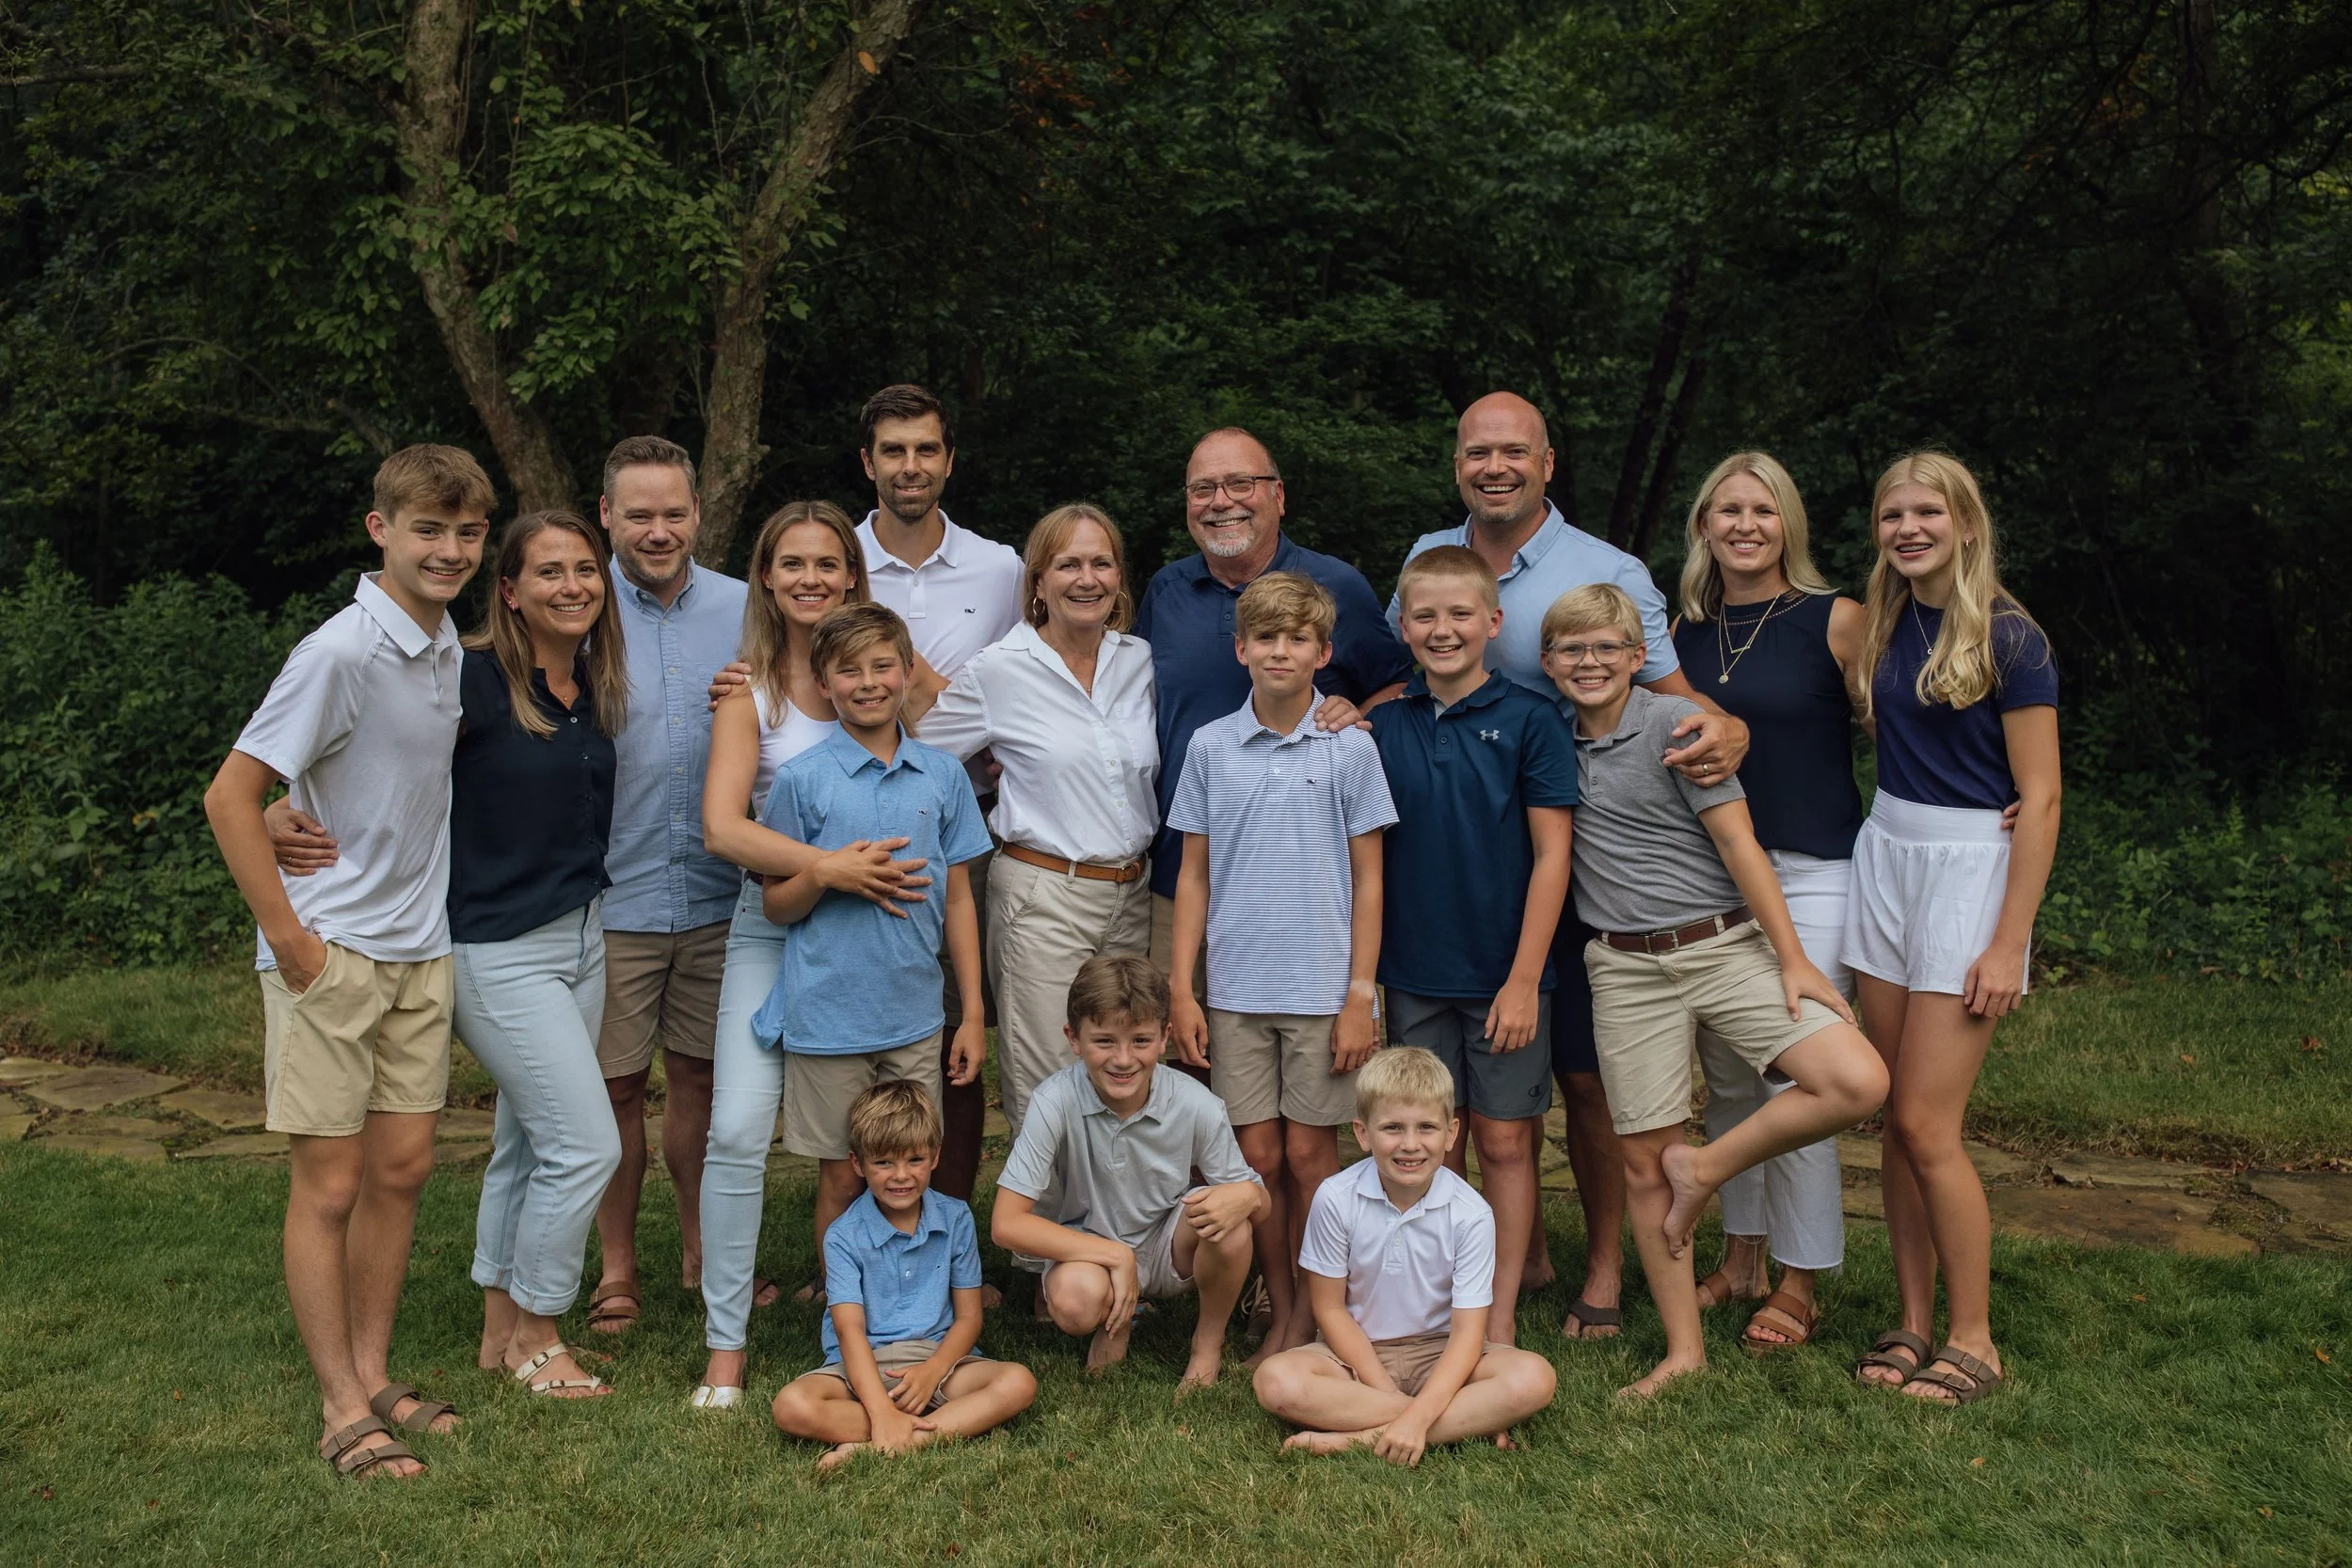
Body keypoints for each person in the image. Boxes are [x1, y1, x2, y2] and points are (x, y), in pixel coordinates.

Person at [1391, 391, 1751, 1345]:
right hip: (1461, 862)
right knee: (1469, 1109)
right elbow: (1412, 672)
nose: (1495, 466)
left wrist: (1729, 726)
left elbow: (1670, 694)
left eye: (1514, 451)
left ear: (1547, 463)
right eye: (1478, 452)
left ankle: (1601, 1262)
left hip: (1583, 862)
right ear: (1458, 464)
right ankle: (1488, 1272)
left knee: (1588, 1081)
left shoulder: (1608, 569)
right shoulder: (1430, 555)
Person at [202, 444, 492, 1480]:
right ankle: (338, 1408)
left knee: (401, 1170)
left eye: (467, 532)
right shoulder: (341, 650)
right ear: (381, 530)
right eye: (429, 530)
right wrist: (292, 942)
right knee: (329, 1185)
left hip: (420, 946)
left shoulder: (443, 641)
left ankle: (373, 1373)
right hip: (335, 952)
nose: (449, 550)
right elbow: (231, 795)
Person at [1540, 582, 1888, 1398]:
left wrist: (1793, 958)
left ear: (1639, 655)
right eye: (1571, 649)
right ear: (1547, 661)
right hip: (1624, 966)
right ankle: (1682, 1350)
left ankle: (1708, 1168)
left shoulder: (1678, 726)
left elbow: (1740, 845)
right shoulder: (1546, 737)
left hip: (1723, 944)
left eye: (1607, 647)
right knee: (1643, 1161)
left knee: (1857, 1079)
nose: (1589, 662)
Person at [1847, 452, 2060, 1408]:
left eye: (1928, 512)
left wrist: (2009, 940)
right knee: (1894, 1114)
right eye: (1893, 514)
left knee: (1929, 1124)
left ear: (1967, 523)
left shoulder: (2010, 636)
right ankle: (1913, 1318)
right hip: (1887, 852)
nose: (1909, 528)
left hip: (1969, 870)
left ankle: (1975, 1336)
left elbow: (2041, 795)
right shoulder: (1883, 621)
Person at [1166, 572, 1399, 1366]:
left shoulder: (1349, 747)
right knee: (1255, 1160)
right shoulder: (1210, 746)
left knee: (1309, 1157)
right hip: (1235, 989)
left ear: (1323, 653)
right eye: (1265, 637)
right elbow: (1193, 876)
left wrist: (1361, 993)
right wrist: (1182, 988)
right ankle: (1276, 1298)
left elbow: (1370, 878)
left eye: (1298, 639)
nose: (1280, 651)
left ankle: (1310, 1308)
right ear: (1241, 648)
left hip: (1322, 989)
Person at [1668, 452, 1867, 1351]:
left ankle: (1799, 1277)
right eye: (1728, 510)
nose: (1745, 525)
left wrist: (1996, 793)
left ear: (1789, 521)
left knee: (1800, 1073)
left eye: (1763, 509)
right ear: (1703, 525)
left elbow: (1904, 725)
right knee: (1731, 1078)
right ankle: (1742, 1257)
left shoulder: (1837, 619)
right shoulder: (1681, 632)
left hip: (1815, 870)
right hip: (1714, 878)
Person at [1369, 546, 1577, 1346]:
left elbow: (1553, 855)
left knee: (1504, 1140)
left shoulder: (1531, 719)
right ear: (1404, 626)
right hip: (1413, 972)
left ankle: (1499, 1316)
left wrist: (1525, 979)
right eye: (1424, 615)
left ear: (1493, 621)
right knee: (1431, 1141)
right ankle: (1439, 1302)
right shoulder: (1383, 725)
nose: (1443, 629)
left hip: (1505, 975)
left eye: (1461, 614)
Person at [753, 604, 992, 1273]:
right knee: (842, 1174)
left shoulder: (943, 776)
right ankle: (845, 1303)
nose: (868, 683)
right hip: (829, 1018)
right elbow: (775, 904)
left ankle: (909, 1294)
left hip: (914, 1016)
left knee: (911, 1168)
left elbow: (958, 899)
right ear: (822, 683)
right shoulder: (802, 779)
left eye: (882, 666)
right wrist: (824, 874)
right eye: (848, 670)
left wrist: (972, 1014)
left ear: (907, 671)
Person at [450, 511, 628, 1402]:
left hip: (582, 937)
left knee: (524, 1143)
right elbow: (376, 760)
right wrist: (294, 811)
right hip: (497, 947)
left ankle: (498, 1331)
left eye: (586, 569)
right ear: (510, 591)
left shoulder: (588, 681)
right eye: (550, 571)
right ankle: (540, 1333)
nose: (572, 585)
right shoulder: (470, 679)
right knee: (584, 1145)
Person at [1135, 427, 1412, 999]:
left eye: (1240, 483)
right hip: (1182, 873)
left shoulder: (1335, 586)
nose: (1220, 501)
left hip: (1302, 890)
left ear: (1278, 495)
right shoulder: (1166, 590)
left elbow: (1400, 684)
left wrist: (1356, 711)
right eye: (1203, 488)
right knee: (1180, 1032)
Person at [692, 500, 865, 1408]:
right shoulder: (746, 691)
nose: (810, 579)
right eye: (792, 563)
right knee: (735, 1129)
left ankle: (858, 1323)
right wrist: (825, 863)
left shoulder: (880, 676)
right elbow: (724, 828)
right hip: (771, 925)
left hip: (868, 930)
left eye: (828, 563)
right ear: (765, 576)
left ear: (852, 575)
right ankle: (725, 1345)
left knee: (858, 1144)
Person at [916, 503, 1157, 1134]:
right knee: (1049, 1091)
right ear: (1039, 581)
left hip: (1133, 897)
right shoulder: (1000, 669)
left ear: (1119, 577)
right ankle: (1042, 1205)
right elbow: (918, 756)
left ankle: (1115, 1204)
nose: (1087, 579)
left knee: (1127, 1081)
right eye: (1069, 564)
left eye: (1102, 563)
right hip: (1043, 898)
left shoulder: (1139, 661)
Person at [587, 436, 750, 1336]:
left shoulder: (744, 605)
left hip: (722, 893)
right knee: (612, 1088)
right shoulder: (575, 604)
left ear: (698, 513)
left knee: (700, 1078)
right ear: (607, 515)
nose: (659, 530)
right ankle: (617, 1266)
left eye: (674, 513)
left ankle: (699, 1248)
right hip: (613, 893)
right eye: (639, 514)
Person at [853, 384, 1024, 1203]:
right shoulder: (835, 559)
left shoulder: (1001, 568)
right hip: (856, 825)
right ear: (868, 463)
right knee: (863, 1026)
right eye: (893, 450)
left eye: (926, 448)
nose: (910, 465)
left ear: (950, 461)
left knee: (960, 1023)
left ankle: (947, 1220)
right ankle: (862, 1222)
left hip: (967, 828)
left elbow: (1027, 688)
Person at [1251, 1048, 1557, 1464]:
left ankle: (1361, 1437)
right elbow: (1330, 1310)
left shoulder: (1471, 1213)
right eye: (1392, 1128)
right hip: (1354, 1354)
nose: (1410, 1145)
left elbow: (1468, 1336)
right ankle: (1463, 1422)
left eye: (1426, 1127)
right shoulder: (1336, 1198)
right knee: (1276, 1380)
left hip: (1441, 1352)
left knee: (1534, 1378)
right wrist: (1392, 1395)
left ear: (1451, 1134)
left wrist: (1416, 1415)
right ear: (1363, 1134)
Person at [989, 956, 1265, 1387]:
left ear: (1164, 1037)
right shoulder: (1053, 1101)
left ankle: (1206, 1345)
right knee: (1075, 1303)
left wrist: (1249, 1194)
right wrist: (1116, 1256)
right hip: (1090, 1249)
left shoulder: (1197, 1104)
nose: (1123, 1059)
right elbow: (1005, 1224)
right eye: (1104, 1041)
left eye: (1140, 1040)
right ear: (1073, 1038)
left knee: (1232, 1224)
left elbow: (1259, 1207)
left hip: (1169, 1247)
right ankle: (1115, 1322)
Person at [771, 1082, 1039, 1472]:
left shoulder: (956, 1218)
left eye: (915, 1159)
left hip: (938, 1361)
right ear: (858, 1164)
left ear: (935, 1156)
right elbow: (849, 1330)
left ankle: (893, 1443)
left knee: (1019, 1382)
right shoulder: (843, 1235)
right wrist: (880, 1408)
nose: (901, 1176)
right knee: (791, 1406)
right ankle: (921, 1426)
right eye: (883, 1163)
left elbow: (969, 1317)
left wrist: (933, 1372)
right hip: (861, 1366)